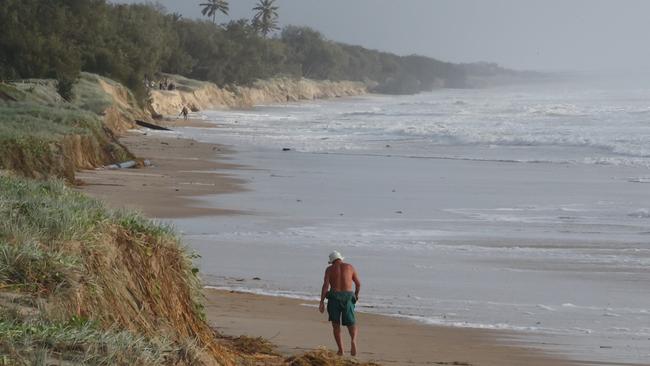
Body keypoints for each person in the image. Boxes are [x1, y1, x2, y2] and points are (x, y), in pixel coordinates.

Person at [319, 251, 361, 356]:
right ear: (341, 259)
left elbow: (325, 286)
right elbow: (358, 283)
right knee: (351, 323)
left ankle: (341, 350)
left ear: (332, 261)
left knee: (336, 325)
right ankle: (353, 341)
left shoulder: (329, 269)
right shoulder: (350, 267)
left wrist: (321, 302)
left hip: (334, 297)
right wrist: (356, 295)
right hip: (347, 297)